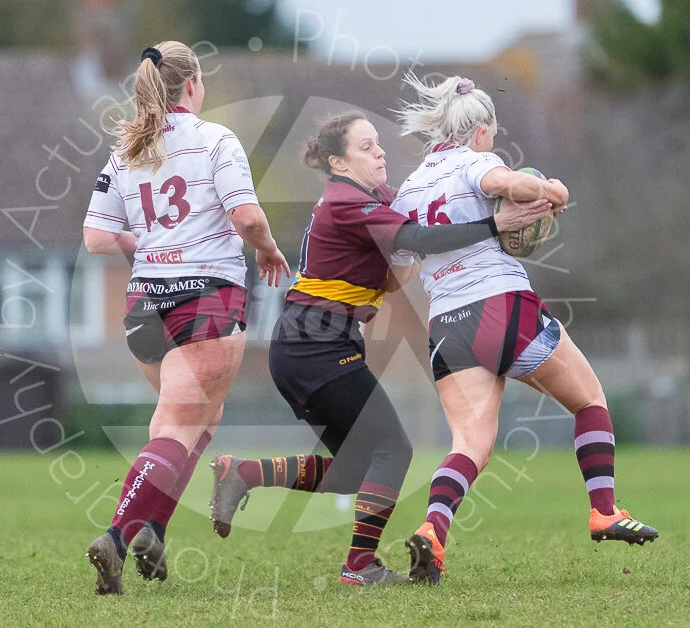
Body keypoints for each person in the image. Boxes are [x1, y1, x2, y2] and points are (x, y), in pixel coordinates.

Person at [205, 112, 553, 586]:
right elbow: (417, 237)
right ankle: (359, 566)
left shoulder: (371, 198)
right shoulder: (347, 201)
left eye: (378, 143)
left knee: (355, 468)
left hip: (312, 342)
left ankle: (243, 472)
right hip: (314, 343)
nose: (380, 151)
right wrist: (495, 224)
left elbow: (412, 233)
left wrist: (487, 188)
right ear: (338, 162)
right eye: (366, 146)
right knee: (393, 449)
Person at [388, 75, 660, 585]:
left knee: (470, 442)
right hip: (501, 306)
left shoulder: (407, 190)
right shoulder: (475, 161)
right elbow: (504, 185)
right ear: (481, 131)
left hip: (446, 325)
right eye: (492, 132)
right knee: (589, 399)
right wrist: (551, 191)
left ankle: (432, 530)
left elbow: (394, 268)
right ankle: (604, 511)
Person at [80, 41, 292, 596]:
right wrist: (269, 250)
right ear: (193, 84)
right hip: (205, 298)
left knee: (196, 418)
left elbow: (96, 237)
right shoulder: (216, 139)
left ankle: (154, 528)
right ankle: (117, 536)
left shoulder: (128, 149)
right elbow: (247, 217)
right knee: (178, 426)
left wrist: (151, 248)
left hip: (144, 305)